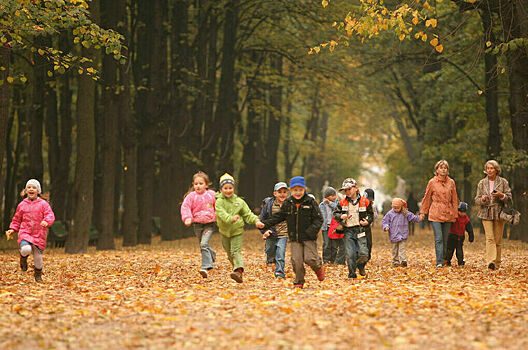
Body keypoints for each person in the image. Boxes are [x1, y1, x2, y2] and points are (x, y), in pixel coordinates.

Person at [261, 176, 325, 288]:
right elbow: (279, 216)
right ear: (291, 190)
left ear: (304, 189)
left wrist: (312, 231)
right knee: (296, 260)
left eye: (300, 190)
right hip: (294, 237)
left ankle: (318, 268)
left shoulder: (310, 202)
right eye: (295, 190)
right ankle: (299, 281)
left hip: (308, 237)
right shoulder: (288, 203)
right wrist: (265, 224)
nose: (298, 192)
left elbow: (318, 219)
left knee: (310, 259)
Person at [214, 173, 264, 283]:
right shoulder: (219, 202)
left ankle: (238, 271)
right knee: (229, 254)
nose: (228, 190)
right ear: (221, 189)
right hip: (224, 231)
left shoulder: (239, 202)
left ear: (234, 188)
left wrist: (256, 221)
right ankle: (236, 270)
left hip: (237, 230)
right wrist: (231, 218)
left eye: (230, 188)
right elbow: (221, 214)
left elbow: (247, 214)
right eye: (225, 188)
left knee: (236, 251)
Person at [6, 179, 55, 283]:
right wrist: (13, 229)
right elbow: (17, 219)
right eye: (29, 187)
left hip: (39, 233)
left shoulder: (43, 204)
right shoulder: (22, 205)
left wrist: (46, 221)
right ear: (26, 190)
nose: (31, 189)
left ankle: (38, 275)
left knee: (38, 257)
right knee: (26, 249)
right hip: (25, 232)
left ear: (38, 191)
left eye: (34, 187)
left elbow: (50, 215)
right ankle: (23, 258)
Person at [420, 160, 459, 267]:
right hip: (435, 213)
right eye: (441, 168)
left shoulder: (451, 182)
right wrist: (423, 212)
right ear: (437, 170)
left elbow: (455, 199)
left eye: (445, 168)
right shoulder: (432, 182)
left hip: (448, 212)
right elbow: (427, 197)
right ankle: (439, 262)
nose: (443, 170)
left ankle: (444, 259)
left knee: (445, 239)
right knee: (439, 238)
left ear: (448, 170)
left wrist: (456, 213)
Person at [474, 160, 512, 270]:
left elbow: (509, 199)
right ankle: (490, 262)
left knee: (498, 239)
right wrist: (483, 199)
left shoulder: (503, 182)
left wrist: (501, 195)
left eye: (491, 168)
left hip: (499, 213)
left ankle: (497, 263)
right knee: (490, 238)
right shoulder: (481, 183)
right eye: (488, 168)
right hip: (485, 213)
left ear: (496, 170)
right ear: (485, 170)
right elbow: (476, 200)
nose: (489, 170)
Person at [333, 178, 373, 278]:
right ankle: (352, 274)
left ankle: (360, 266)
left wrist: (367, 221)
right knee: (350, 254)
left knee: (364, 254)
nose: (347, 192)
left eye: (349, 189)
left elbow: (371, 214)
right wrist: (340, 217)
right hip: (348, 230)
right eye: (345, 190)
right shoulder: (342, 202)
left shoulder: (365, 201)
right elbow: (335, 214)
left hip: (361, 230)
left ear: (356, 188)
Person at [180, 171, 217, 278]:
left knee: (203, 244)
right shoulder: (191, 196)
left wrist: (219, 217)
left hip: (209, 224)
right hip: (197, 224)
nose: (198, 186)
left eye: (201, 183)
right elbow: (185, 207)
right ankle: (212, 254)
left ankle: (206, 266)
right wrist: (187, 218)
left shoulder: (211, 195)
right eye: (196, 184)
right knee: (202, 244)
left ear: (206, 184)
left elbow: (219, 205)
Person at [259, 182, 289, 278]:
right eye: (280, 192)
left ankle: (280, 272)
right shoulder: (269, 205)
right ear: (275, 193)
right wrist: (265, 231)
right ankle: (270, 259)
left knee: (280, 253)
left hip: (284, 234)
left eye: (284, 192)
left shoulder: (290, 205)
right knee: (269, 250)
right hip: (271, 233)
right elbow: (262, 220)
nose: (282, 194)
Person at [382, 198, 420, 267]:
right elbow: (385, 221)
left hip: (402, 234)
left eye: (397, 208)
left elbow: (412, 217)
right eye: (394, 207)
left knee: (402, 248)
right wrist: (386, 226)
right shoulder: (390, 213)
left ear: (401, 206)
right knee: (394, 249)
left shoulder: (405, 213)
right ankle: (395, 261)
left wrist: (419, 218)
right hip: (393, 234)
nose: (396, 209)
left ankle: (403, 260)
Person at [445, 202, 474, 266]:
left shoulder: (466, 219)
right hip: (452, 236)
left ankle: (460, 262)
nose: (462, 213)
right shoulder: (455, 217)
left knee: (459, 251)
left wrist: (471, 236)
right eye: (460, 211)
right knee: (449, 250)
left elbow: (469, 228)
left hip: (460, 237)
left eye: (463, 212)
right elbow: (449, 224)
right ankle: (447, 261)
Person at [319, 186, 338, 264]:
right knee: (327, 243)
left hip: (334, 227)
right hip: (325, 227)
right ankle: (326, 260)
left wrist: (330, 203)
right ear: (327, 196)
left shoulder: (336, 203)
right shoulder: (322, 205)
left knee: (334, 244)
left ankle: (333, 259)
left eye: (335, 195)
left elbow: (337, 208)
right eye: (332, 195)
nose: (334, 197)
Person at [363, 188, 376, 261]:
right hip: (360, 226)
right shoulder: (360, 203)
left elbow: (374, 216)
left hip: (368, 226)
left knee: (369, 242)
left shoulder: (372, 206)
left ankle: (368, 256)